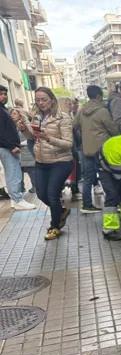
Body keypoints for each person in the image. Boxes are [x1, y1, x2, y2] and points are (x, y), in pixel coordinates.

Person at [24, 87, 74, 239]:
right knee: (41, 194)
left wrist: (48, 138)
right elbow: (33, 137)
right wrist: (24, 130)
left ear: (52, 100)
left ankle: (55, 226)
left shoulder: (62, 118)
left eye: (44, 99)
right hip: (41, 161)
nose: (40, 103)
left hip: (61, 161)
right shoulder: (37, 117)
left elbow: (68, 144)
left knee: (52, 194)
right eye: (37, 100)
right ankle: (61, 210)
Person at [73, 85, 120, 214]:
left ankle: (87, 205)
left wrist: (83, 137)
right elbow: (113, 129)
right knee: (109, 177)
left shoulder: (82, 110)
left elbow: (74, 125)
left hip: (87, 149)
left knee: (88, 178)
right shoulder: (102, 111)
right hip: (102, 150)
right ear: (99, 96)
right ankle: (113, 203)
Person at [0, 85, 36, 210]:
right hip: (7, 147)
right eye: (1, 94)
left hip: (8, 147)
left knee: (13, 172)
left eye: (5, 93)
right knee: (13, 173)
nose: (4, 96)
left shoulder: (3, 109)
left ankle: (15, 199)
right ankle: (17, 199)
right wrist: (11, 146)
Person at [10, 109, 36, 196]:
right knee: (18, 171)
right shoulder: (11, 125)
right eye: (11, 114)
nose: (12, 115)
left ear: (20, 115)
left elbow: (30, 137)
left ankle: (35, 187)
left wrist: (20, 144)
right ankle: (21, 188)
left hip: (26, 151)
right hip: (17, 152)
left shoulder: (24, 124)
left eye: (14, 114)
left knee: (30, 170)